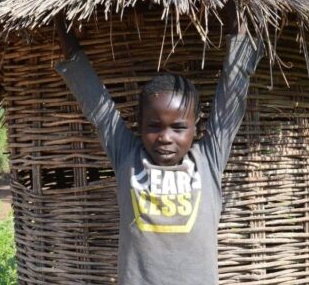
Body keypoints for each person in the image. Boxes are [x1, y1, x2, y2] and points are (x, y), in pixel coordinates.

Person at [54, 17, 261, 284]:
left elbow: (232, 92)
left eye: (178, 127)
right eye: (154, 126)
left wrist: (236, 20)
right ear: (138, 123)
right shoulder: (127, 156)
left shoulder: (208, 159)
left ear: (195, 126)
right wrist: (61, 26)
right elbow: (95, 101)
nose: (165, 137)